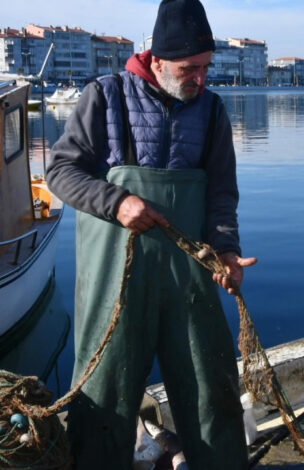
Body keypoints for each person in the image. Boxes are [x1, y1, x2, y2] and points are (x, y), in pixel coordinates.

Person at [45, 0, 256, 468]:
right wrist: (117, 202)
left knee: (211, 390)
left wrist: (226, 249)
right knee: (103, 394)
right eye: (189, 69)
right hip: (116, 284)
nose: (200, 79)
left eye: (205, 67)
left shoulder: (213, 112)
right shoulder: (104, 97)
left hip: (190, 281)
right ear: (156, 60)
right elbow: (60, 171)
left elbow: (221, 195)